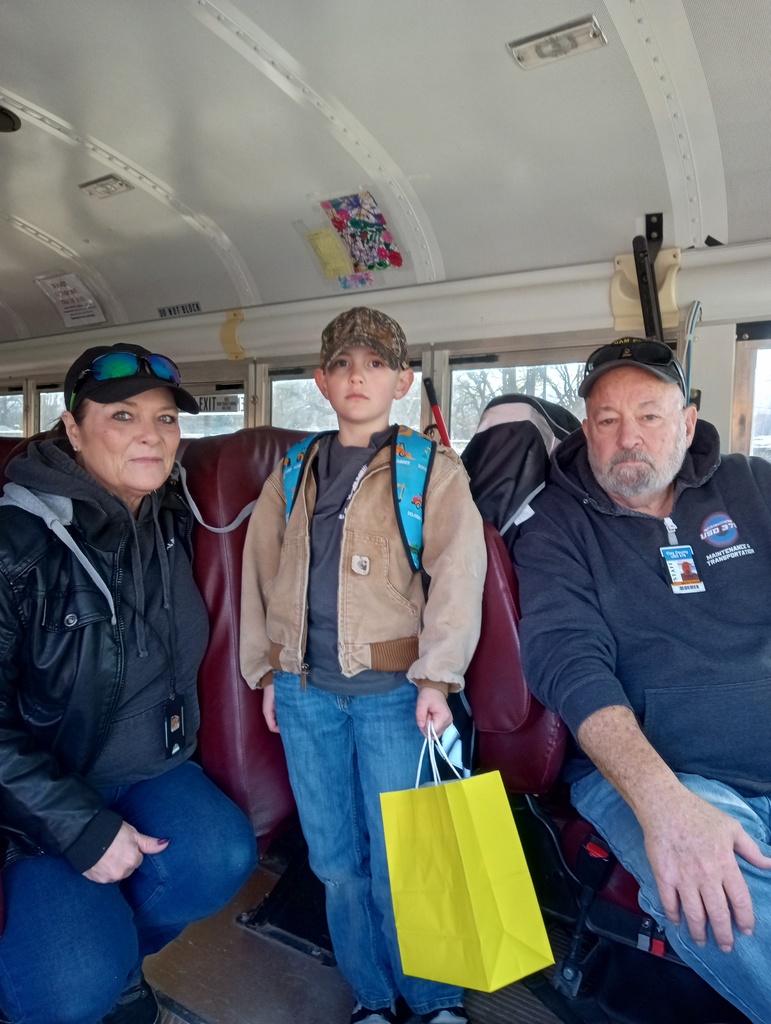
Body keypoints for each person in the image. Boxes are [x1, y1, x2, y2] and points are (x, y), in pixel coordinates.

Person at [513, 337, 771, 1023]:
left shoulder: (754, 485)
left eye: (650, 416)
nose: (627, 437)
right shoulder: (553, 526)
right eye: (605, 419)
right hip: (661, 774)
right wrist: (665, 806)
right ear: (585, 429)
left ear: (686, 422)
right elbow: (566, 662)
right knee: (734, 904)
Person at [240, 307, 486, 1024]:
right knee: (336, 865)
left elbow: (457, 579)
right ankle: (372, 998)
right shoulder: (291, 472)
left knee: (407, 856)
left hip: (392, 698)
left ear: (402, 380)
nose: (357, 376)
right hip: (306, 693)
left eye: (375, 364)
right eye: (343, 364)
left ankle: (433, 998)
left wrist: (437, 678)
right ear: (320, 380)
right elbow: (260, 575)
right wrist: (267, 673)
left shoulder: (428, 471)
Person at [0, 343, 257, 1024]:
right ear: (73, 429)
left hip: (147, 769)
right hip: (32, 801)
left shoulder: (170, 517)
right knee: (68, 987)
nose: (152, 434)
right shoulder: (13, 545)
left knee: (222, 856)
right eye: (123, 415)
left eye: (166, 419)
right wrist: (77, 825)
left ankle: (117, 963)